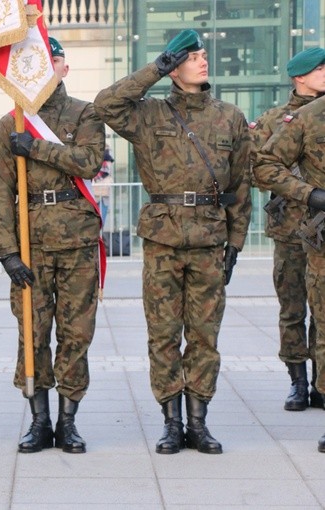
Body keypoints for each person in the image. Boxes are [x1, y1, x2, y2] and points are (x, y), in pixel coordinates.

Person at [94, 29, 251, 455]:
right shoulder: (149, 115)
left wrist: (235, 243)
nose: (203, 61)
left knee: (204, 334)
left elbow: (241, 185)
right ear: (174, 67)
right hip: (163, 239)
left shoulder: (229, 117)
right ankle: (171, 421)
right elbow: (105, 105)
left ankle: (199, 422)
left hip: (208, 238)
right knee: (163, 333)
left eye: (203, 55)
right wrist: (153, 69)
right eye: (192, 57)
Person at [0, 37, 105, 454]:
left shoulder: (84, 114)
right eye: (36, 64)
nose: (45, 70)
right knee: (32, 334)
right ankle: (38, 421)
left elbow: (90, 162)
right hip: (32, 243)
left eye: (52, 61)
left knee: (77, 333)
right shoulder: (8, 125)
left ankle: (68, 422)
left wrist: (34, 147)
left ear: (63, 69)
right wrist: (7, 252)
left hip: (76, 241)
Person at [254, 52, 325, 453]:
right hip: (290, 229)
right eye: (319, 69)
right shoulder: (274, 120)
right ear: (299, 76)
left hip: (320, 231)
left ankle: (320, 382)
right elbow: (255, 165)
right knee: (293, 307)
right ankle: (298, 381)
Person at [94, 146, 114, 226]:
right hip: (97, 196)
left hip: (103, 195)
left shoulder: (105, 164)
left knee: (101, 222)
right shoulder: (105, 163)